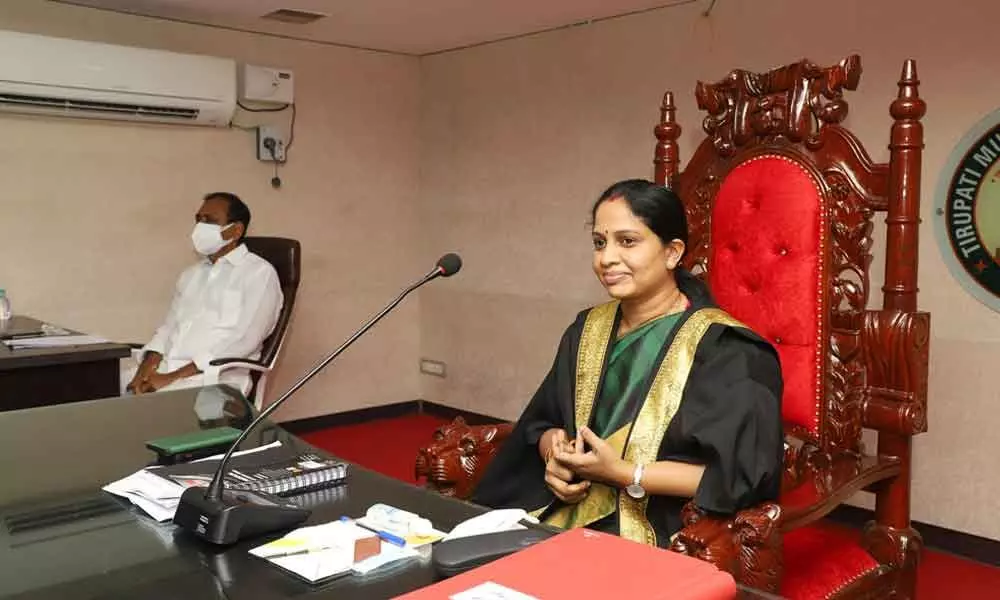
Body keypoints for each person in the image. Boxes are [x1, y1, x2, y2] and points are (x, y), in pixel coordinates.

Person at [471, 179, 784, 547]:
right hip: (560, 509)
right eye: (600, 243)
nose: (606, 258)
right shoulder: (587, 328)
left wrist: (624, 472)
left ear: (672, 252)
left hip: (657, 525)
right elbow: (543, 422)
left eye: (628, 241)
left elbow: (739, 477)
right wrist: (555, 454)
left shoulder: (727, 349)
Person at [124, 192, 283, 396]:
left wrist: (171, 378)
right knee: (98, 384)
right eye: (198, 220)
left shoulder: (259, 274)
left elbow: (244, 340)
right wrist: (144, 370)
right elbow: (169, 327)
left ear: (235, 230)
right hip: (166, 371)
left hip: (215, 379)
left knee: (134, 410)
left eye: (210, 221)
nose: (200, 227)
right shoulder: (190, 274)